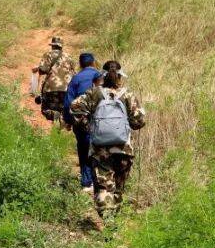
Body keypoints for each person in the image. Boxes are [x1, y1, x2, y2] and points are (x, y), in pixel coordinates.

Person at [69, 60, 146, 214]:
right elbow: (139, 121)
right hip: (124, 149)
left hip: (99, 149)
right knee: (118, 188)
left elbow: (75, 108)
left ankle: (108, 222)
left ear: (102, 76)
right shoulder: (128, 94)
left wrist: (88, 126)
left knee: (103, 186)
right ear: (120, 76)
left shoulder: (94, 93)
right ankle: (115, 219)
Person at [63, 52, 103, 192]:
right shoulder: (100, 76)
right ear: (93, 63)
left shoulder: (75, 79)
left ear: (80, 64)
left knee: (83, 148)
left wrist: (68, 121)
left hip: (80, 120)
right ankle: (100, 179)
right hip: (100, 119)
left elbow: (68, 102)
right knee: (99, 148)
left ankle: (87, 182)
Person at [31, 36, 76, 123]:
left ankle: (54, 121)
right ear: (61, 46)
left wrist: (37, 69)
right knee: (62, 109)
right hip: (66, 89)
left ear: (52, 45)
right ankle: (59, 125)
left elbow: (43, 70)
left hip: (50, 88)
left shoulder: (48, 54)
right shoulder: (69, 57)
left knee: (46, 109)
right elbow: (73, 72)